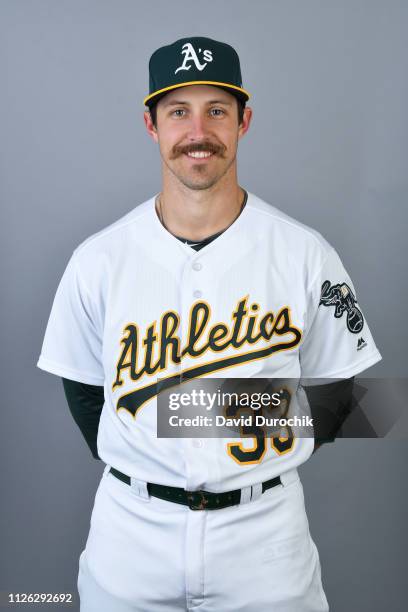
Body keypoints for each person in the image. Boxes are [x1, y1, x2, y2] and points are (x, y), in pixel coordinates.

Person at [37, 36, 382, 611]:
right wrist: (157, 455)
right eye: (178, 111)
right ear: (151, 124)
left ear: (244, 121)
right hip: (130, 537)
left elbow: (346, 395)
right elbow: (84, 396)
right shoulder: (97, 259)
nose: (198, 131)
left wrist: (213, 413)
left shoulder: (304, 252)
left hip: (265, 540)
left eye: (216, 110)